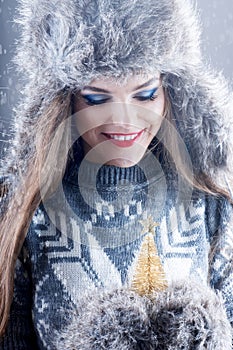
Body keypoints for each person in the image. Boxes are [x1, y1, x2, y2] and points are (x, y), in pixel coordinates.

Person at [0, 0, 233, 348]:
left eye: (145, 94)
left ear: (171, 93)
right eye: (97, 99)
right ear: (66, 101)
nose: (124, 119)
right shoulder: (27, 215)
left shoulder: (209, 206)